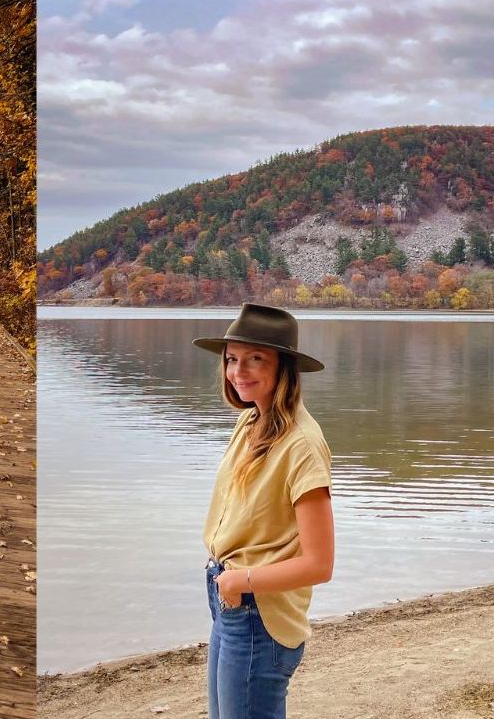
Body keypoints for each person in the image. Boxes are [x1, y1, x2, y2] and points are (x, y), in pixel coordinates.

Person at [192, 303, 334, 719]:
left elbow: (319, 564)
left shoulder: (302, 445)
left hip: (259, 612)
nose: (239, 371)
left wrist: (239, 581)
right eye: (232, 359)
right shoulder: (252, 421)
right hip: (230, 598)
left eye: (256, 359)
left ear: (284, 368)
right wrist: (226, 580)